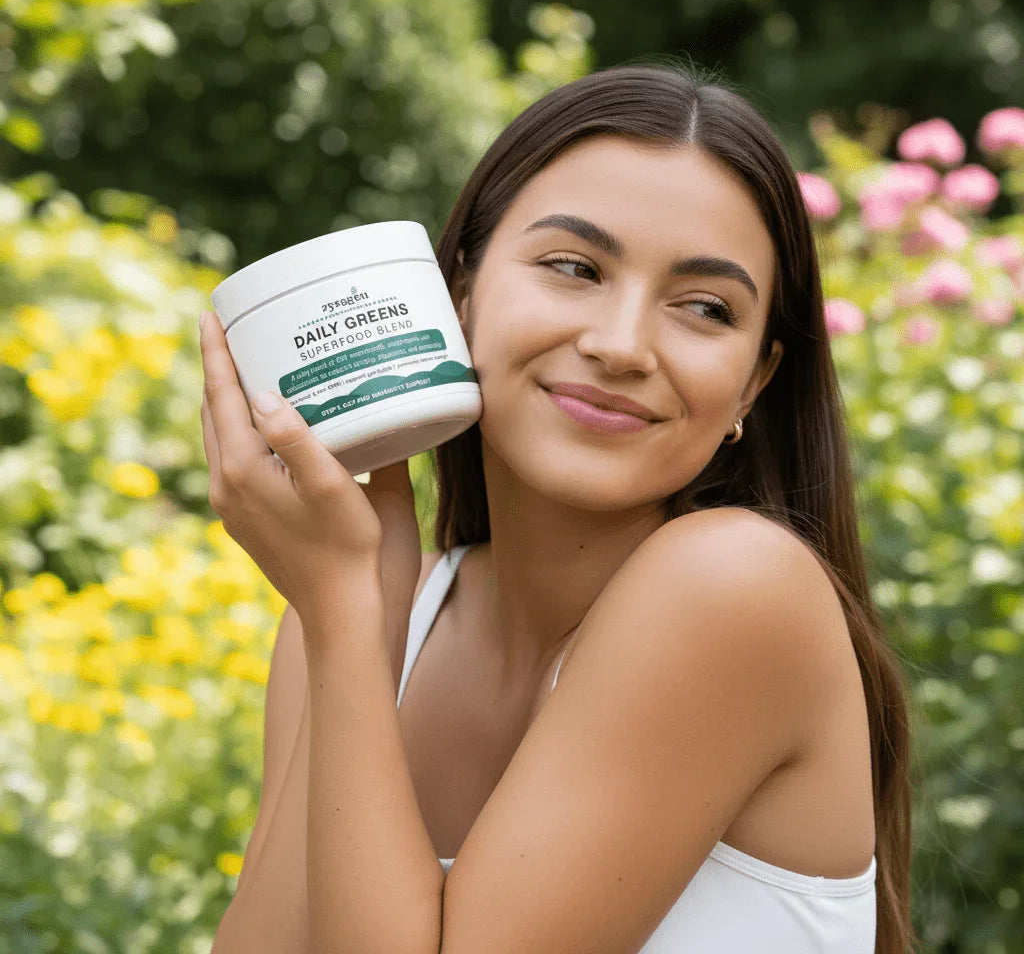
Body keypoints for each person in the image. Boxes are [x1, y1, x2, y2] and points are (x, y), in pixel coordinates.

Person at [204, 60, 915, 953]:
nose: (621, 345)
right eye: (573, 267)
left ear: (754, 384)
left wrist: (345, 626)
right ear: (457, 293)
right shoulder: (360, 608)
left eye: (703, 308)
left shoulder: (734, 586)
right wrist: (360, 617)